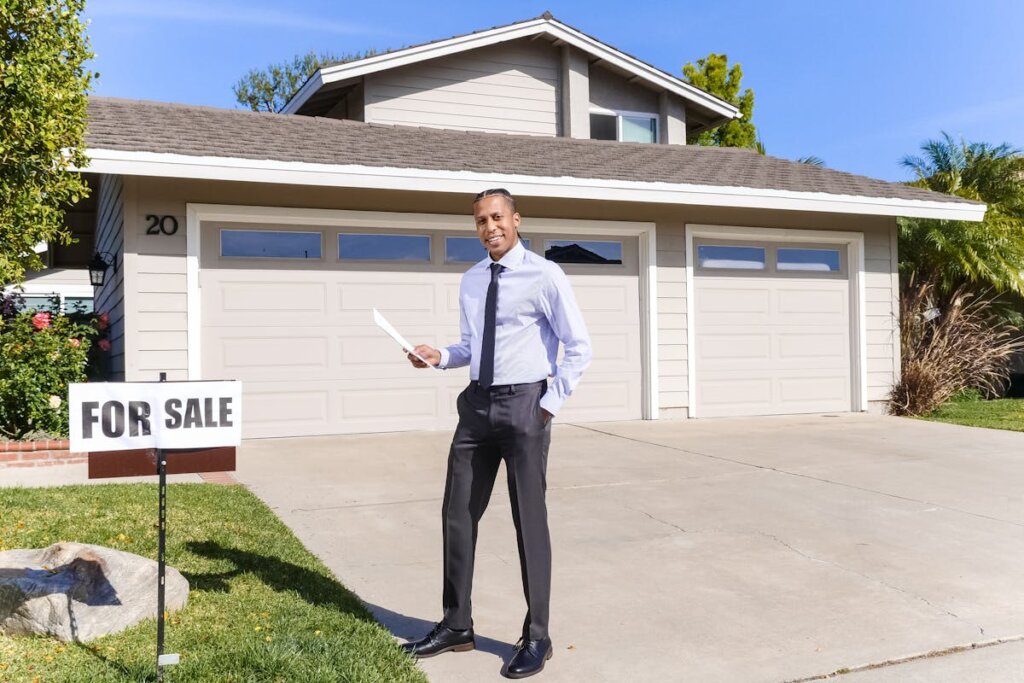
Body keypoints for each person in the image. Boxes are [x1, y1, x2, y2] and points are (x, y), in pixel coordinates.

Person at [403, 188, 592, 679]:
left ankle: (538, 636)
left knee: (529, 520)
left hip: (526, 405)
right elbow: (471, 345)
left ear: (516, 219)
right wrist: (438, 356)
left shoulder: (545, 275)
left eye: (497, 217)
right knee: (457, 515)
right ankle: (456, 625)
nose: (490, 227)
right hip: (477, 407)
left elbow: (578, 347)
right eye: (482, 220)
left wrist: (546, 407)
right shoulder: (470, 280)